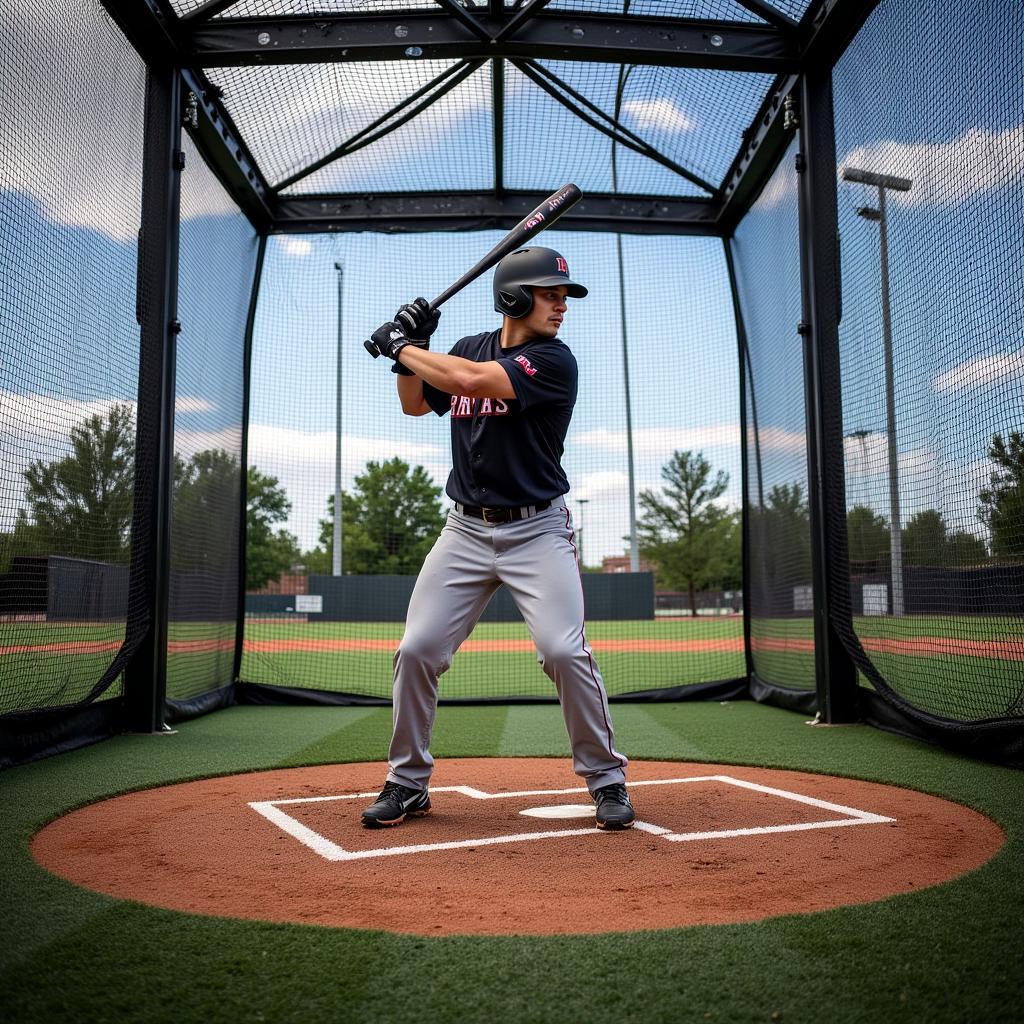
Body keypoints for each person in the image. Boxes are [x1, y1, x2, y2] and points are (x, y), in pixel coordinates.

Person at [360, 246, 633, 831]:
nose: (562, 305)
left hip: (537, 530)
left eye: (565, 296)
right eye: (550, 293)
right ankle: (408, 783)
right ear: (513, 296)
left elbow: (470, 381)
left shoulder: (554, 361)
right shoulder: (463, 348)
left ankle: (608, 780)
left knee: (563, 651)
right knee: (416, 651)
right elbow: (414, 405)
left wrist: (404, 345)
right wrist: (412, 354)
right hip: (464, 530)